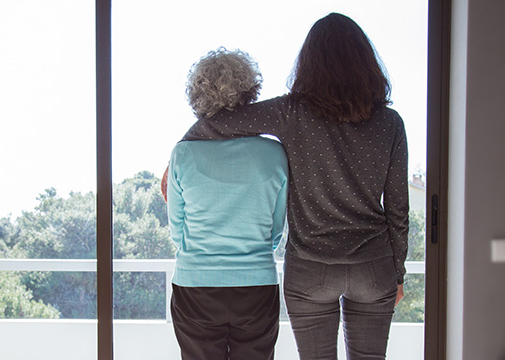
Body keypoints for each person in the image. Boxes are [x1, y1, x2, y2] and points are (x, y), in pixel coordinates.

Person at [168, 13, 409, 360]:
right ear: (367, 62)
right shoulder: (390, 122)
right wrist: (397, 272)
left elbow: (222, 121)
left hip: (311, 269)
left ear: (308, 65)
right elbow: (398, 209)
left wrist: (181, 151)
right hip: (372, 267)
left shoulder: (291, 112)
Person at [166, 48, 288, 360]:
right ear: (250, 93)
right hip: (257, 285)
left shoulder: (182, 154)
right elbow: (276, 231)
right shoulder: (274, 154)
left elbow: (178, 233)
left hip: (195, 287)